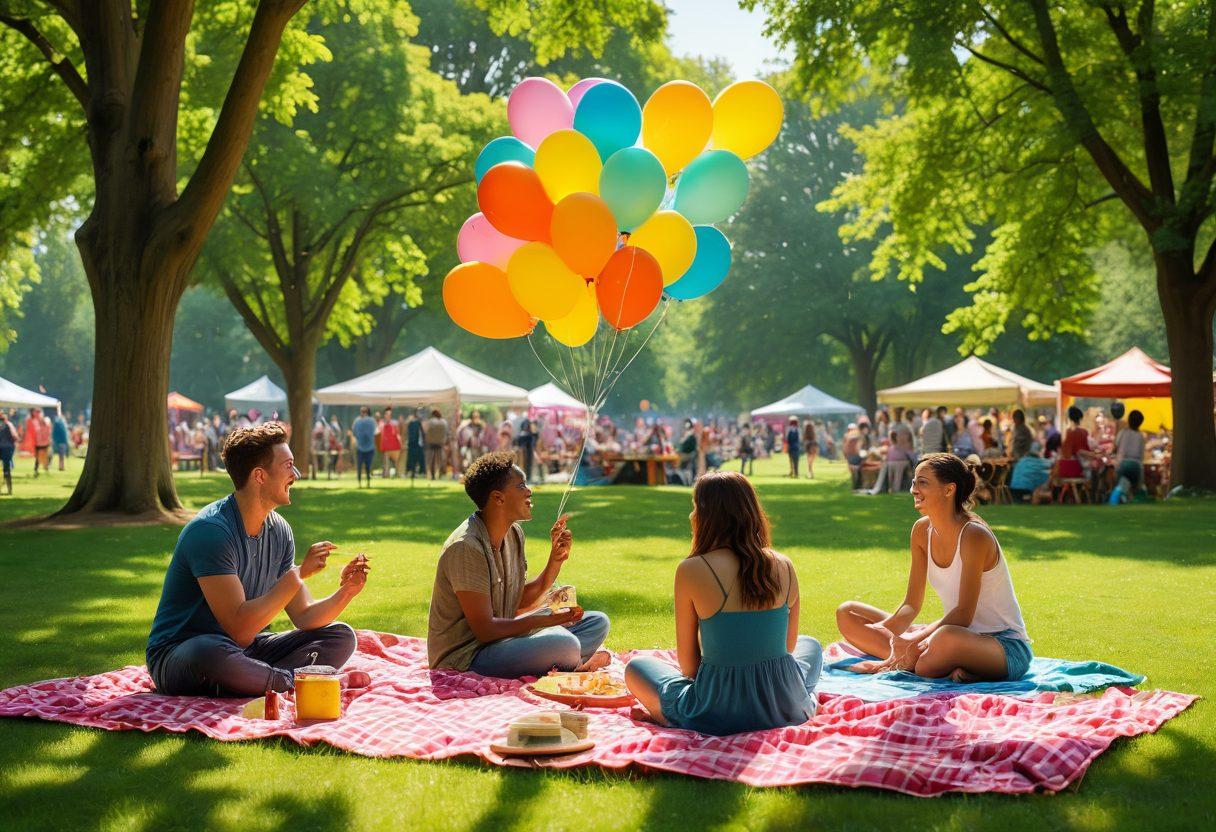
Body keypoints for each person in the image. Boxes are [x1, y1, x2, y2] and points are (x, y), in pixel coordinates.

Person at [145, 423, 370, 696]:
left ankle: (258, 681)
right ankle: (290, 681)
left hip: (245, 650)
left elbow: (304, 614)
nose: (295, 475)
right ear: (259, 476)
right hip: (184, 652)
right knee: (211, 652)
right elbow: (239, 629)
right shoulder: (211, 532)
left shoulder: (280, 530)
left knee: (339, 636)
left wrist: (347, 591)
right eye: (288, 466)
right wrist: (298, 574)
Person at [624, 471, 822, 735]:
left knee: (636, 668)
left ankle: (668, 717)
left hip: (716, 711)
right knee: (812, 647)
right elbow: (787, 648)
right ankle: (796, 698)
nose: (691, 516)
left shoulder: (692, 569)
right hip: (782, 705)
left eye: (695, 507)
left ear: (707, 516)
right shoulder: (784, 565)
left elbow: (689, 668)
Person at [836, 453, 1032, 682]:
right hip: (952, 636)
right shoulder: (921, 531)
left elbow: (963, 614)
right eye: (914, 482)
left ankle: (913, 659)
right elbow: (911, 604)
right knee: (848, 613)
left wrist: (915, 638)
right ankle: (917, 659)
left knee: (940, 644)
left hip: (1003, 647)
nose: (913, 489)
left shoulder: (974, 535)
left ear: (949, 490)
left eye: (923, 482)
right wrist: (888, 632)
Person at [427, 452, 610, 677]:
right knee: (565, 644)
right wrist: (543, 621)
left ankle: (566, 661)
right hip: (468, 656)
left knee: (597, 622)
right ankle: (573, 661)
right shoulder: (466, 548)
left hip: (505, 641)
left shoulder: (514, 533)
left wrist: (555, 560)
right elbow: (485, 631)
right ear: (498, 498)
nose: (529, 490)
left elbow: (518, 601)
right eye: (521, 485)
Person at [1109, 410, 1147, 504]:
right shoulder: (1141, 436)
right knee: (1136, 489)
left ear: (1128, 420)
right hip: (1137, 466)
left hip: (1123, 464)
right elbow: (1142, 454)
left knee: (1121, 487)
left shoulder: (1123, 433)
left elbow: (1115, 448)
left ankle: (1114, 502)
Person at [1057, 406, 1094, 479]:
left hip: (1063, 468)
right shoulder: (1083, 432)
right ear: (1080, 419)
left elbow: (1063, 450)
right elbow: (1082, 451)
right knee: (1093, 470)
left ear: (1070, 419)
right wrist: (1094, 454)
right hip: (1076, 469)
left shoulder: (1066, 433)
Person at [351, 407, 377, 487]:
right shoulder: (372, 421)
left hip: (360, 447)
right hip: (370, 447)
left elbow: (354, 432)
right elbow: (375, 432)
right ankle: (368, 483)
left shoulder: (357, 421)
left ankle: (359, 483)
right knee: (368, 467)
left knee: (359, 466)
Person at [424, 409, 449, 480]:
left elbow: (427, 431)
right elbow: (446, 433)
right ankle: (440, 475)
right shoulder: (444, 422)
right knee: (440, 460)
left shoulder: (431, 422)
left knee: (432, 460)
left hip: (431, 443)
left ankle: (432, 476)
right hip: (440, 443)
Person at [379, 407, 402, 478]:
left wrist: (401, 444)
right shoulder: (381, 423)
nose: (388, 416)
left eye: (389, 414)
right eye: (387, 414)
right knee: (386, 464)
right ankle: (386, 475)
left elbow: (398, 434)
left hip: (395, 447)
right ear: (385, 415)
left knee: (397, 464)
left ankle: (397, 474)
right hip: (386, 448)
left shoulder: (394, 423)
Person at [405, 408, 425, 480]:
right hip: (414, 444)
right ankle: (413, 473)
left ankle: (416, 472)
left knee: (415, 460)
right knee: (413, 460)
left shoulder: (418, 422)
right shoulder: (413, 422)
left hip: (415, 444)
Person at [0, 410, 16, 495]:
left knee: (6, 470)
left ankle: (9, 489)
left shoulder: (6, 426)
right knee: (6, 470)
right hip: (7, 450)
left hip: (4, 449)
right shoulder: (9, 425)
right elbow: (15, 437)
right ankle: (9, 489)